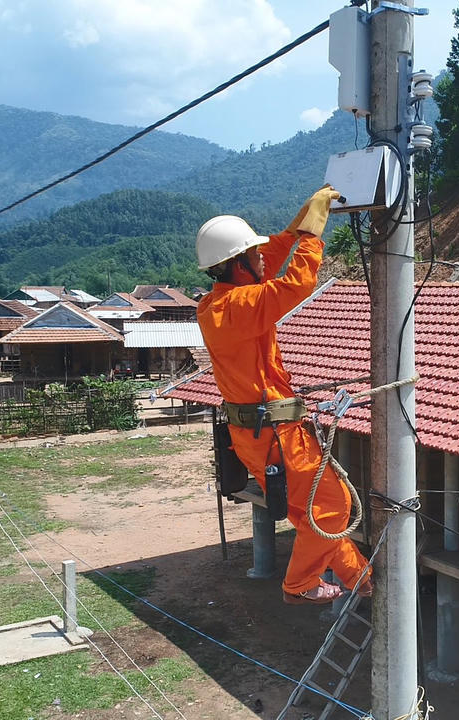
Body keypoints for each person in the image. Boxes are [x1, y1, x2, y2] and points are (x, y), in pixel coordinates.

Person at [195, 186, 371, 605]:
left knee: (311, 513)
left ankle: (361, 577)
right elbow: (297, 283)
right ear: (237, 265)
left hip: (262, 431)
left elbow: (266, 261)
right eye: (253, 255)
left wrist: (293, 228)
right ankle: (300, 584)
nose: (263, 259)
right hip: (274, 432)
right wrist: (311, 237)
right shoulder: (238, 307)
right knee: (331, 506)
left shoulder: (220, 303)